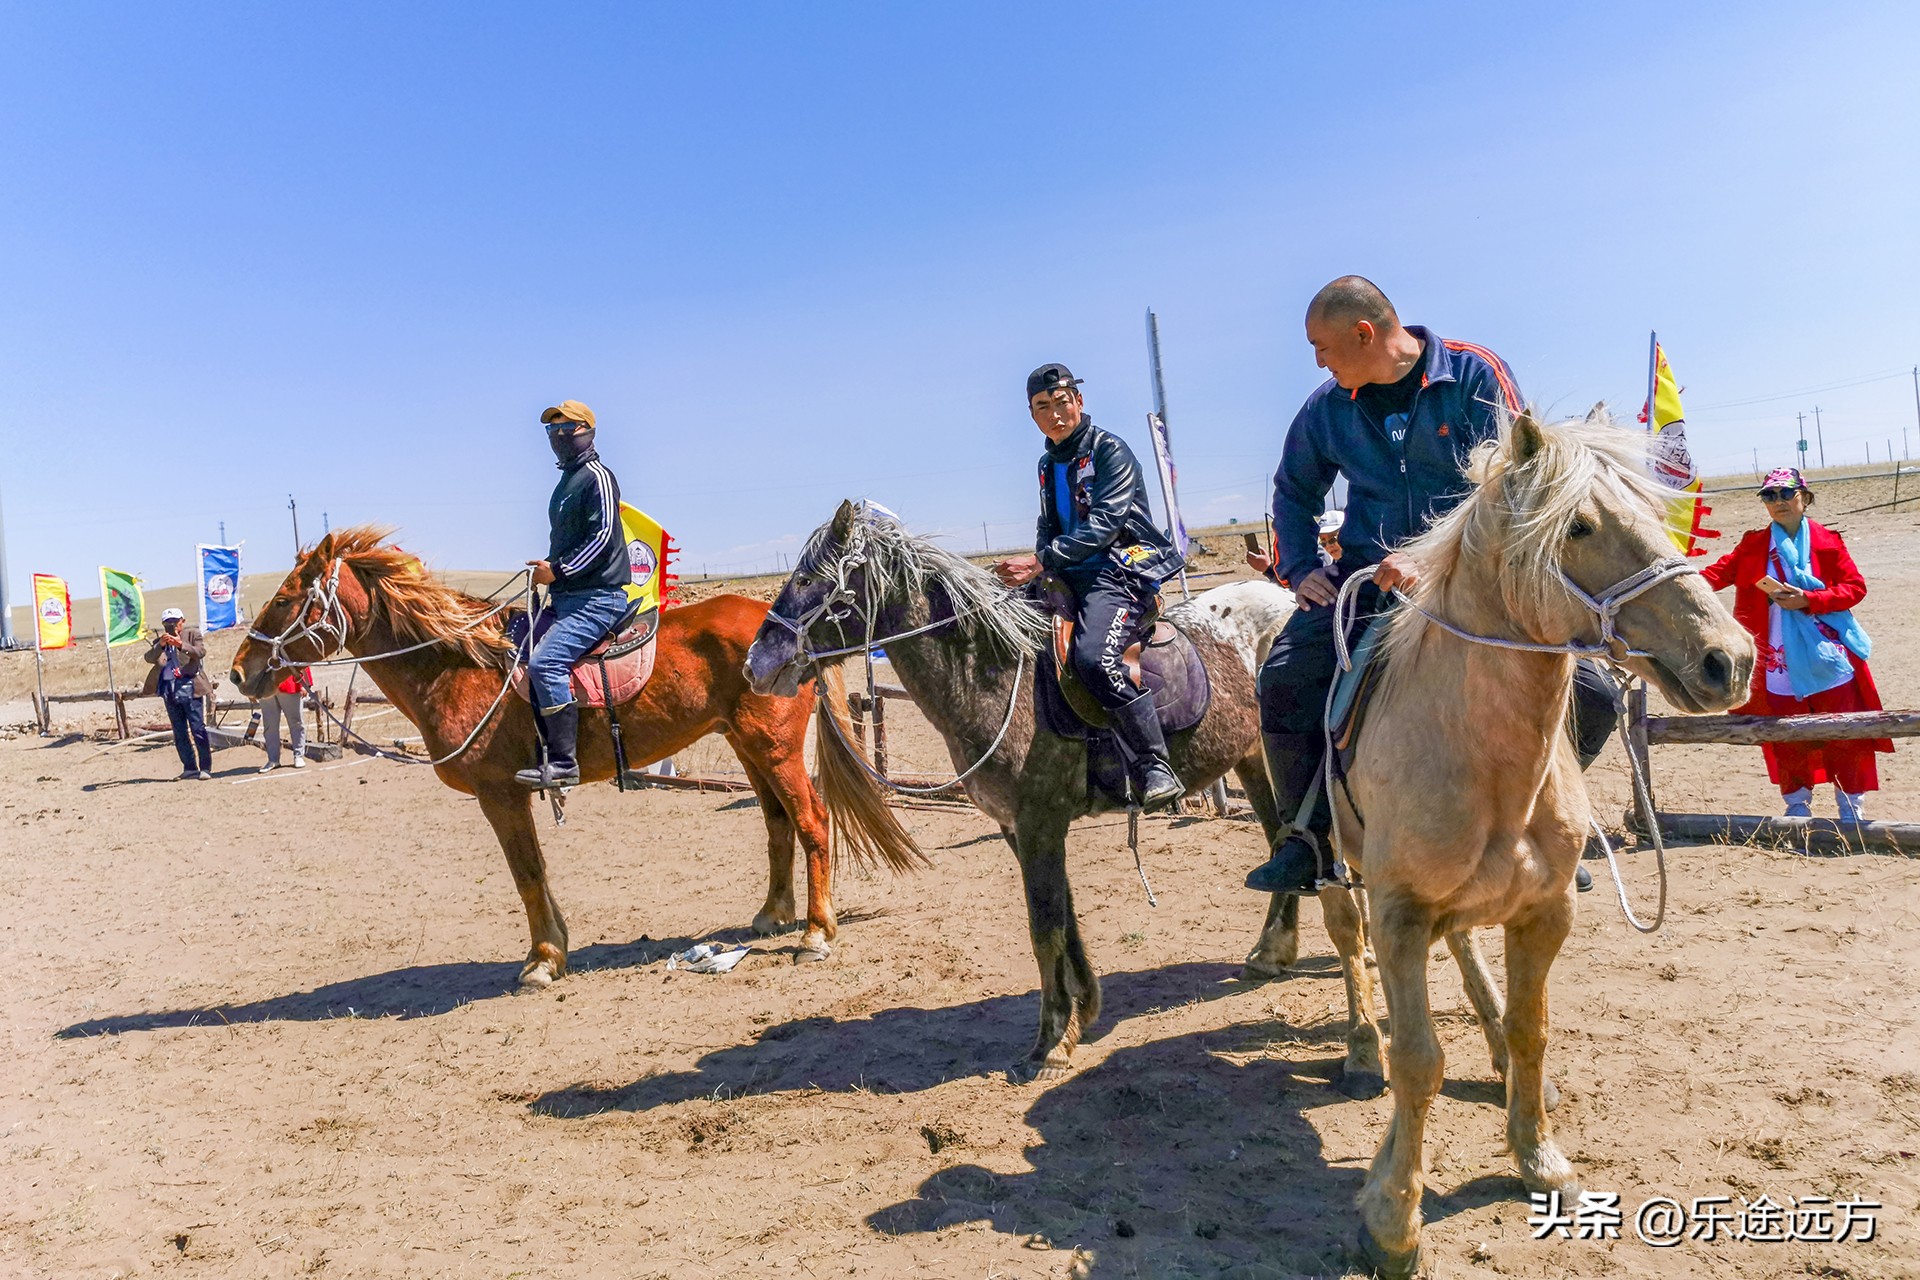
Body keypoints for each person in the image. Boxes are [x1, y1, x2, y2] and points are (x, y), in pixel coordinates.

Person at [1244, 276, 1616, 894]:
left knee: (1595, 694)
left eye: (1322, 346)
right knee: (1285, 677)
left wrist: (1429, 557)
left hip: (1481, 576)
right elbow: (1293, 491)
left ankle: (1548, 820)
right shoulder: (1326, 408)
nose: (1318, 362)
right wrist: (1301, 567)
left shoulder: (1473, 374)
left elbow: (1517, 477)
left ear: (1365, 334)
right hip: (1368, 578)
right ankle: (1306, 838)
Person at [991, 363, 1187, 809]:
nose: (1055, 414)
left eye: (1062, 403)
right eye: (1043, 407)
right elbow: (1048, 524)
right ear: (1032, 415)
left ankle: (1153, 764)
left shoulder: (1109, 450)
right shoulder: (1046, 464)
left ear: (1079, 401)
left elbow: (1105, 523)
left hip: (1117, 570)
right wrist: (1038, 567)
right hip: (1066, 571)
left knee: (1094, 659)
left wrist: (1041, 561)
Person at [1700, 468, 1891, 820]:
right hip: (1775, 661)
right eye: (1769, 495)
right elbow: (1712, 576)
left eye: (1786, 493)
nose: (1779, 501)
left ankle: (1851, 809)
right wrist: (1669, 582)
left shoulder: (1827, 541)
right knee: (1786, 735)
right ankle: (1797, 807)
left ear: (1804, 497)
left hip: (1828, 657)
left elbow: (1855, 587)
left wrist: (1809, 599)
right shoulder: (1753, 545)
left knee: (1843, 730)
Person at [517, 399, 633, 788]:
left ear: (588, 431)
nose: (559, 435)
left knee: (545, 664)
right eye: (553, 430)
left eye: (568, 428)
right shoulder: (566, 483)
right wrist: (548, 566)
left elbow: (602, 538)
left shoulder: (597, 477)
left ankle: (564, 763)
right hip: (569, 599)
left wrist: (558, 570)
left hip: (598, 599)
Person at [142, 606, 213, 780]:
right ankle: (189, 767)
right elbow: (149, 658)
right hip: (169, 689)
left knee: (197, 728)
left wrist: (180, 645)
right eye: (167, 623)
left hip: (191, 687)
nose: (172, 626)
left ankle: (205, 767)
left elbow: (200, 652)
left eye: (175, 622)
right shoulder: (160, 641)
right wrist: (161, 645)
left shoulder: (192, 634)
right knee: (179, 731)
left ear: (182, 621)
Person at [256, 665, 312, 772]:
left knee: (296, 722)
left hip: (289, 683)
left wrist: (305, 683)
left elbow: (301, 658)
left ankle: (299, 755)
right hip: (265, 686)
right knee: (270, 725)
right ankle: (273, 759)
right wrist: (250, 688)